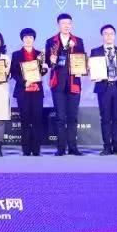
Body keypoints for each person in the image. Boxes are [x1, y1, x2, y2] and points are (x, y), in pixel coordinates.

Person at [44, 13, 84, 156]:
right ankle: (61, 148)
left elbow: (81, 59)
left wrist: (83, 68)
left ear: (71, 25)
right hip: (58, 84)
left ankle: (73, 147)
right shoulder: (51, 41)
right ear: (58, 25)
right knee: (60, 118)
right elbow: (47, 63)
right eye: (63, 23)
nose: (66, 26)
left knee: (72, 117)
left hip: (74, 83)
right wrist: (50, 60)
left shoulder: (78, 41)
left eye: (69, 23)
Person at [90, 24, 117, 155]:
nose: (109, 36)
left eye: (111, 33)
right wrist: (92, 73)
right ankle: (106, 146)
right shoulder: (95, 51)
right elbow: (92, 68)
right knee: (105, 118)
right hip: (103, 88)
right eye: (106, 33)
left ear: (114, 36)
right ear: (102, 36)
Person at [10, 27, 47, 156]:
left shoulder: (40, 54)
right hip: (23, 91)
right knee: (25, 121)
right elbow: (13, 73)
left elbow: (42, 71)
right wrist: (24, 82)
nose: (28, 39)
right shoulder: (16, 54)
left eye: (31, 37)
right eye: (25, 37)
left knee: (37, 120)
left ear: (34, 39)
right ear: (22, 39)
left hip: (37, 91)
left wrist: (45, 69)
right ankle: (26, 149)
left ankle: (36, 149)